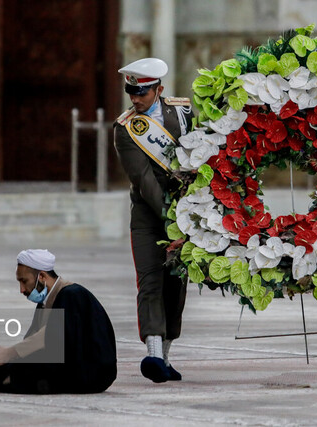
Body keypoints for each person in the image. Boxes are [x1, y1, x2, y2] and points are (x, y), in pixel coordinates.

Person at [113, 58, 193, 383]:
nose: (135, 99)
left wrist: (190, 219)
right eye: (131, 91)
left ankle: (166, 356)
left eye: (142, 93)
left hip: (186, 212)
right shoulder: (124, 128)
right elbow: (145, 182)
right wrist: (173, 225)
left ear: (158, 90)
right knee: (150, 282)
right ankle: (153, 354)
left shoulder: (183, 112)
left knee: (176, 285)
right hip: (148, 215)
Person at [0, 249, 117, 394]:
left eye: (24, 281)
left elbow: (50, 337)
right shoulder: (45, 301)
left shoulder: (71, 294)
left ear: (42, 277)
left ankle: (2, 384)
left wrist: (9, 354)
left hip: (90, 373)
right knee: (5, 365)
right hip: (68, 365)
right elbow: (32, 342)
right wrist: (4, 358)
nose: (21, 289)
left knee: (28, 370)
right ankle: (7, 376)